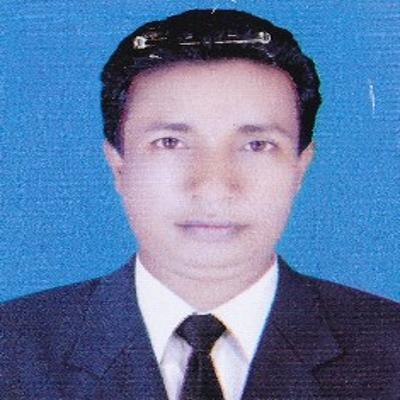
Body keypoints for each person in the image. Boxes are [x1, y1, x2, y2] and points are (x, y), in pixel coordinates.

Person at [1, 8, 399, 400]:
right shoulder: (13, 351)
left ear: (300, 168)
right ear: (118, 165)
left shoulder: (389, 347)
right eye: (170, 143)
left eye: (256, 145)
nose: (213, 186)